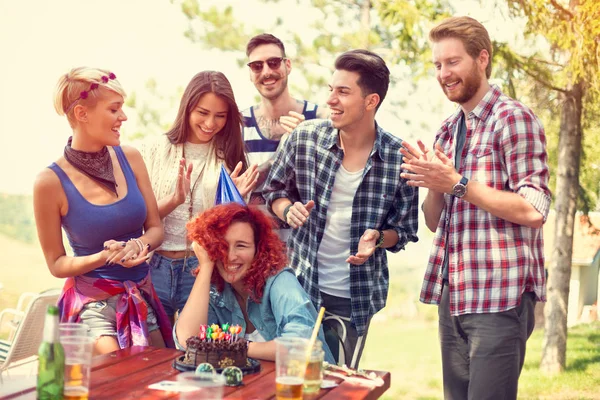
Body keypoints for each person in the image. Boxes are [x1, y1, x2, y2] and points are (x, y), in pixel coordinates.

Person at [400, 16, 551, 400]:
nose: (443, 73)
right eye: (437, 65)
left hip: (500, 297)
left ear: (482, 59)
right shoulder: (448, 130)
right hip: (454, 293)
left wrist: (457, 183)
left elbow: (535, 209)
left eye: (453, 62)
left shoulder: (512, 119)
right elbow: (434, 222)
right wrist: (432, 181)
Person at [263, 49, 419, 368]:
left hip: (356, 298)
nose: (331, 99)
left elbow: (404, 232)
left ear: (371, 101)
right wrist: (286, 210)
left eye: (343, 92)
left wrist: (377, 239)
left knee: (337, 384)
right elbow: (273, 190)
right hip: (299, 287)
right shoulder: (304, 138)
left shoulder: (399, 158)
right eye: (331, 90)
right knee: (291, 378)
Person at [34, 67, 173, 355]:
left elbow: (156, 228)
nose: (123, 117)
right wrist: (104, 256)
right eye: (114, 109)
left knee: (162, 377)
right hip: (91, 309)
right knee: (121, 375)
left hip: (142, 298)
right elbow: (57, 263)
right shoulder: (49, 182)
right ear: (82, 114)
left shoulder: (131, 158)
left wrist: (137, 245)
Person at [141, 71, 258, 326]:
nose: (210, 123)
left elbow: (234, 232)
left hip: (201, 267)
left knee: (196, 350)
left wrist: (231, 204)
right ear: (187, 108)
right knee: (152, 354)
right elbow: (139, 218)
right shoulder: (152, 149)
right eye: (202, 113)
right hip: (154, 265)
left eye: (220, 116)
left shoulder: (231, 155)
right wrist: (174, 199)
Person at [174, 203, 335, 363]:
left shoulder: (279, 281)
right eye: (221, 246)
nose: (230, 256)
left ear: (258, 249)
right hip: (251, 385)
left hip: (307, 383)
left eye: (241, 246)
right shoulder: (216, 287)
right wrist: (206, 266)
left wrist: (235, 347)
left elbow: (300, 345)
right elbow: (186, 341)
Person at [242, 33, 329, 241]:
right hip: (254, 252)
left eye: (273, 63)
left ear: (287, 65)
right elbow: (239, 188)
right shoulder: (239, 124)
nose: (266, 72)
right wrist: (285, 146)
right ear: (250, 73)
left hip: (304, 251)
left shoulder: (319, 119)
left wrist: (303, 141)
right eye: (257, 66)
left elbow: (327, 187)